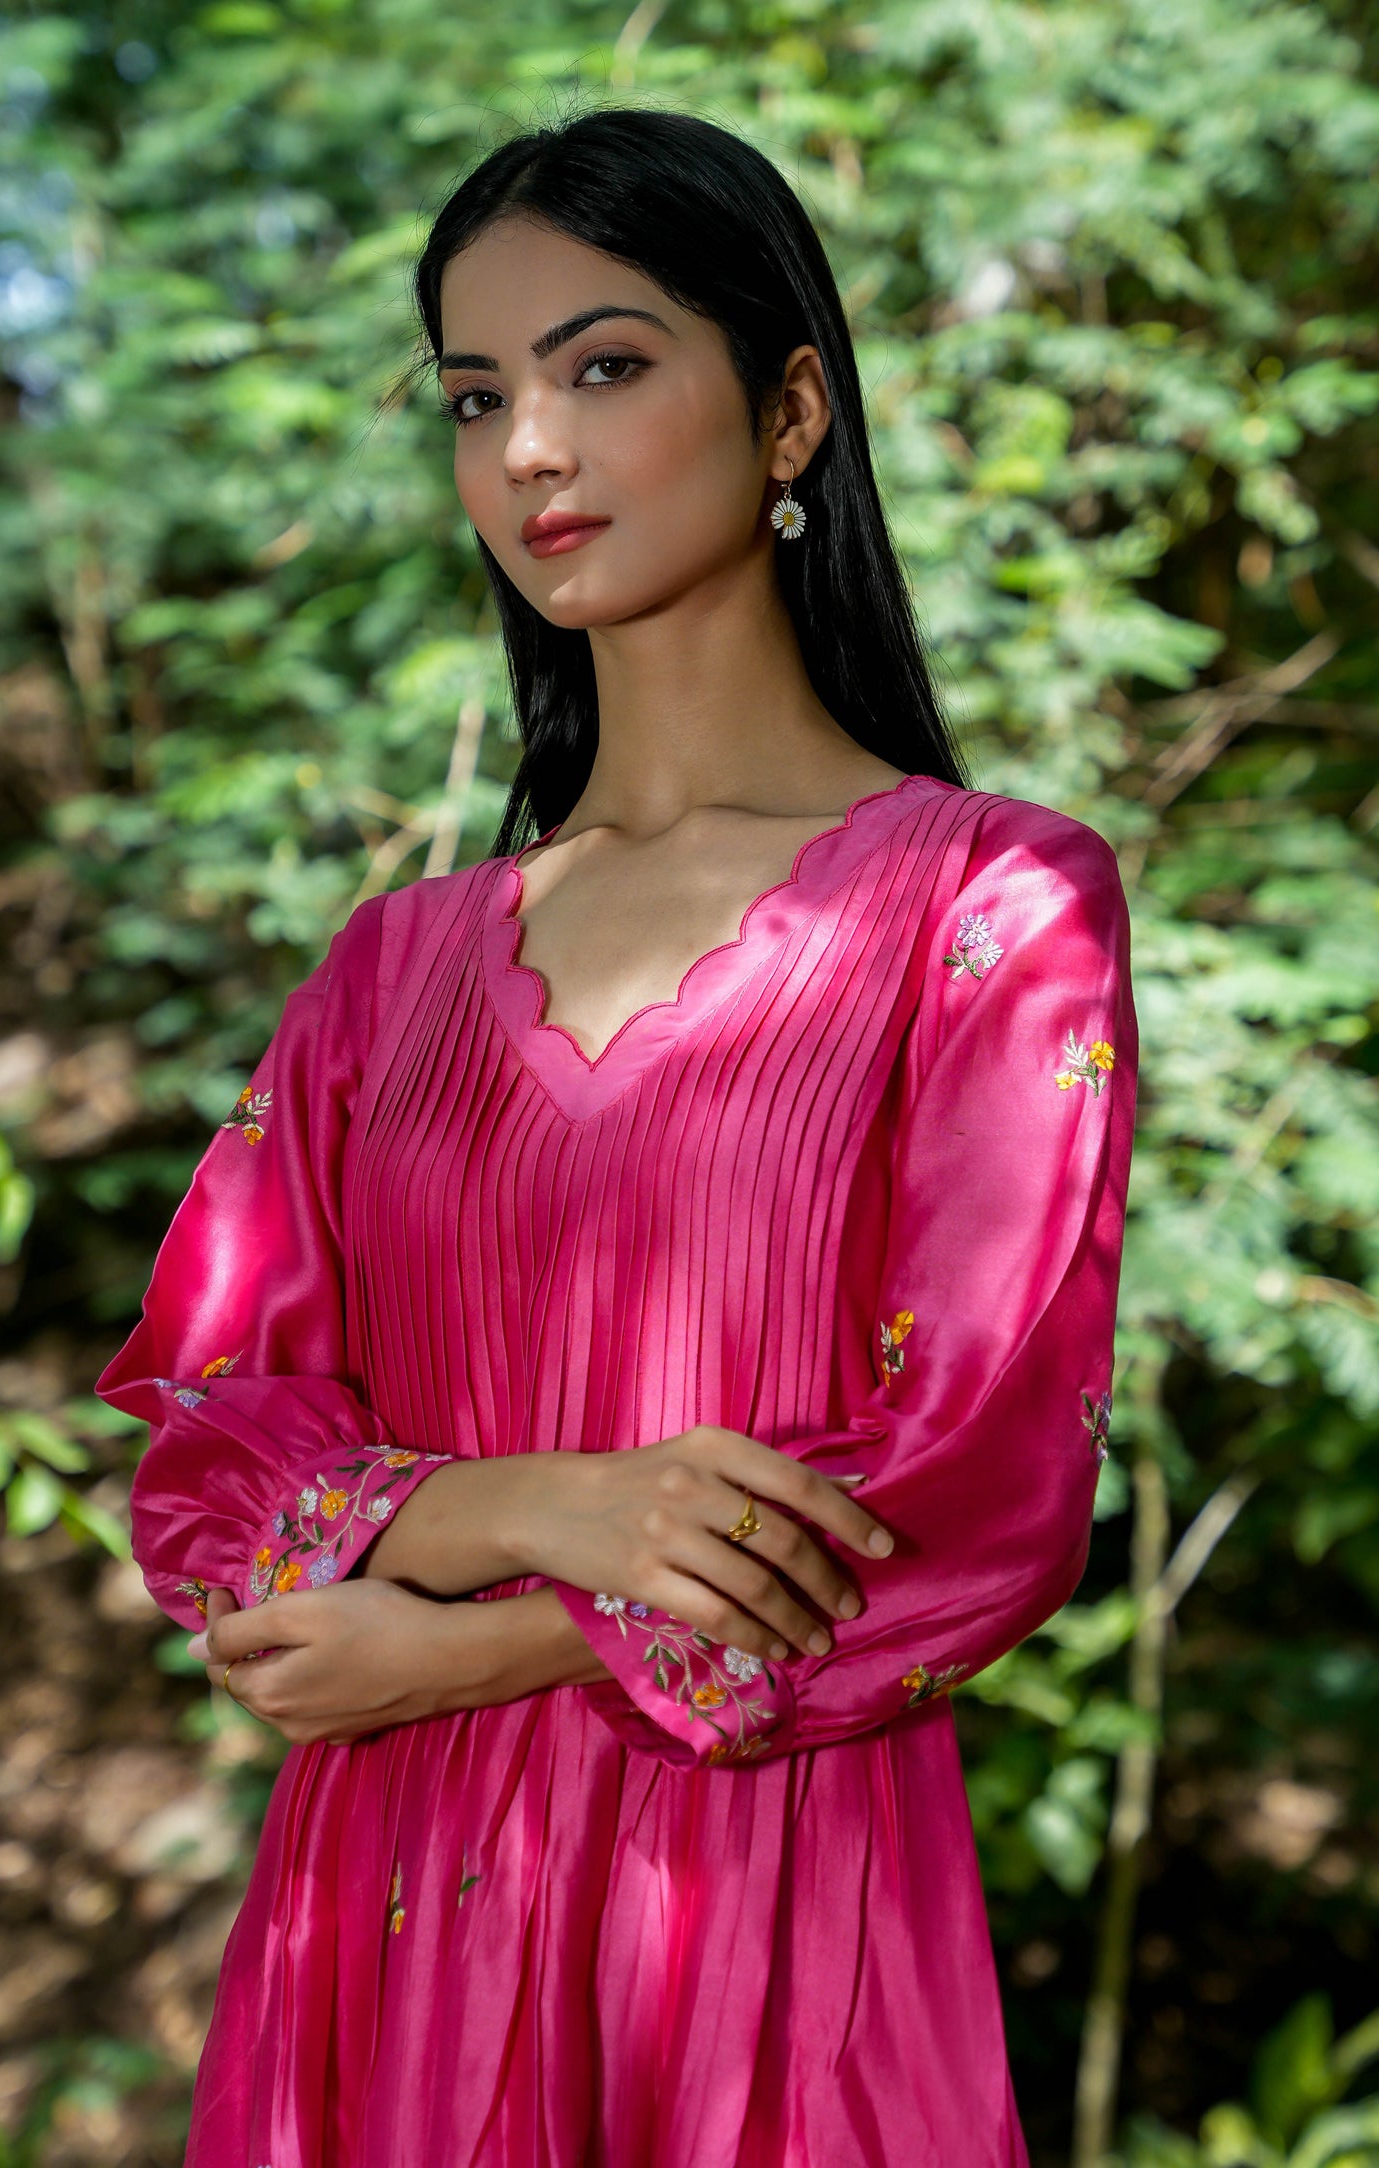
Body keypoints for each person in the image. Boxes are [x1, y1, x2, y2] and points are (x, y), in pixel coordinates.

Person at [97, 105, 1137, 2167]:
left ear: (790, 411)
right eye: (478, 398)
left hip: (771, 1902)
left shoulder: (989, 906)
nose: (529, 455)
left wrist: (459, 1649)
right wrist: (546, 1508)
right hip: (380, 1927)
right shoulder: (385, 975)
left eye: (604, 363)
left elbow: (977, 1479)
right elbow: (214, 1453)